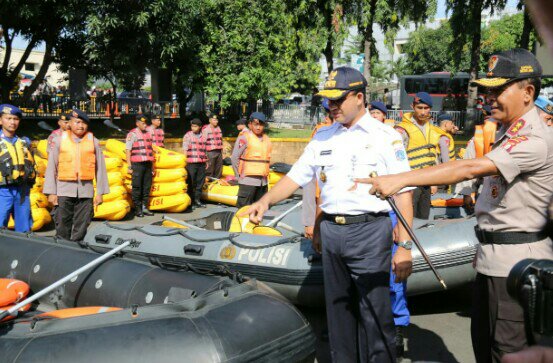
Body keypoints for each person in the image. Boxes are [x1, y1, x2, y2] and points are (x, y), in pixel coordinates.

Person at [356, 49, 553, 363]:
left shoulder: (535, 137)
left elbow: (469, 169)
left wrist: (399, 179)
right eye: (487, 90)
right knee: (485, 349)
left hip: (516, 269)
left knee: (509, 353)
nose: (488, 97)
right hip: (492, 262)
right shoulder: (507, 131)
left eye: (498, 90)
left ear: (528, 92)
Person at [244, 67, 414, 362]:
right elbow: (296, 177)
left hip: (370, 232)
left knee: (375, 316)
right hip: (333, 235)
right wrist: (267, 201)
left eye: (338, 99)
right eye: (328, 100)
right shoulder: (323, 137)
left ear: (360, 97)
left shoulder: (387, 137)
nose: (331, 106)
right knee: (338, 316)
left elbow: (404, 193)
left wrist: (405, 247)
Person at [44, 109, 109, 242]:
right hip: (63, 190)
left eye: (84, 123)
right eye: (77, 122)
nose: (80, 126)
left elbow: (100, 169)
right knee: (62, 224)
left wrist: (100, 192)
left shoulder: (94, 141)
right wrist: (51, 192)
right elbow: (52, 167)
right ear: (70, 123)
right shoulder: (58, 141)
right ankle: (62, 249)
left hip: (86, 191)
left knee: (82, 225)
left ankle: (77, 249)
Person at [394, 92, 445, 219]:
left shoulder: (433, 130)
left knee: (423, 217)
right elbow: (397, 158)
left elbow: (434, 157)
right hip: (410, 180)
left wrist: (435, 182)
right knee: (407, 217)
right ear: (413, 107)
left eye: (426, 108)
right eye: (419, 108)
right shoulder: (402, 130)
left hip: (427, 180)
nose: (423, 112)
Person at [0, 104, 35, 233]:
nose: (12, 122)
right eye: (8, 118)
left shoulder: (24, 142)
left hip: (22, 190)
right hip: (2, 190)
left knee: (24, 227)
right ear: (0, 120)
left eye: (15, 119)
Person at [231, 112, 272, 208]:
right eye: (256, 124)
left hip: (263, 182)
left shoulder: (266, 139)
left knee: (259, 211)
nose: (258, 127)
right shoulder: (244, 138)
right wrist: (238, 176)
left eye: (261, 125)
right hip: (247, 181)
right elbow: (234, 158)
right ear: (250, 125)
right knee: (243, 210)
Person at [126, 115, 155, 218]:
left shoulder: (148, 134)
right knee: (137, 187)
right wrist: (129, 166)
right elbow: (128, 151)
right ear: (137, 123)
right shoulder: (132, 134)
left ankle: (144, 207)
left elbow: (151, 150)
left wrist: (152, 167)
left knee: (147, 186)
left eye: (146, 123)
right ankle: (138, 209)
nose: (145, 125)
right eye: (143, 123)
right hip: (137, 164)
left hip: (147, 164)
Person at [183, 118, 207, 209]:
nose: (193, 128)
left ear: (200, 127)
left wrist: (206, 160)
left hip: (201, 163)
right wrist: (184, 162)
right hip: (191, 163)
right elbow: (185, 150)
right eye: (192, 126)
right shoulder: (187, 136)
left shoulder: (203, 136)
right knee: (191, 182)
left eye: (195, 126)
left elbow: (204, 150)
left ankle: (197, 200)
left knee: (200, 182)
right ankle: (190, 201)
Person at [202, 114, 223, 179]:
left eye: (217, 120)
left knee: (219, 168)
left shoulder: (218, 128)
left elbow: (220, 140)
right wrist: (204, 154)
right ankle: (209, 182)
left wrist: (222, 151)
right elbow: (203, 142)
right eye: (214, 120)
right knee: (210, 168)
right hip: (210, 152)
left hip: (218, 151)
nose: (216, 121)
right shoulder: (206, 129)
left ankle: (217, 181)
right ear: (210, 120)